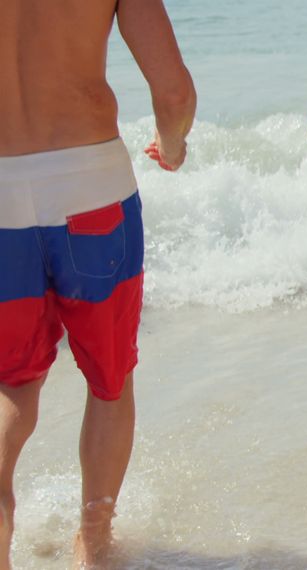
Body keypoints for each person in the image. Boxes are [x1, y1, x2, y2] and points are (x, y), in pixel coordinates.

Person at [0, 0, 195, 567]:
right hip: (91, 190)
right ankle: (94, 542)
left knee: (12, 385)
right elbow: (175, 92)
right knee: (108, 380)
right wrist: (173, 146)